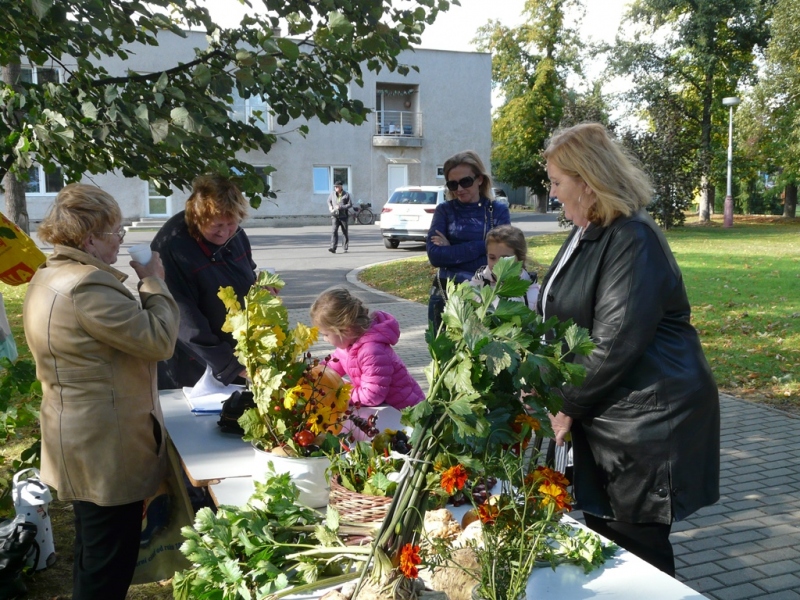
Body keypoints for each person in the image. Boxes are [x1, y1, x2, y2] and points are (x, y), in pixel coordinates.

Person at [540, 123, 720, 577]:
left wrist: (564, 405)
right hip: (609, 416)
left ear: (587, 180)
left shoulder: (631, 238)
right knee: (609, 539)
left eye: (557, 182)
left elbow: (613, 343)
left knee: (638, 558)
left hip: (644, 423)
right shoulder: (592, 229)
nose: (553, 192)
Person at [23, 184, 179, 600]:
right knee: (109, 562)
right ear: (89, 237)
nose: (120, 242)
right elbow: (159, 340)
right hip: (105, 445)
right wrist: (153, 282)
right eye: (116, 234)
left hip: (79, 435)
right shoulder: (87, 286)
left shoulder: (50, 274)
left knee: (95, 552)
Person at [151, 174, 256, 389]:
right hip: (196, 365)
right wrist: (233, 367)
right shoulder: (174, 248)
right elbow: (185, 320)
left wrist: (261, 289)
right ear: (197, 218)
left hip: (238, 350)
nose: (225, 232)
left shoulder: (235, 234)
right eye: (217, 225)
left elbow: (248, 271)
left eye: (232, 223)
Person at [426, 150, 511, 333]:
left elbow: (502, 260)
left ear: (480, 179)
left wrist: (452, 249)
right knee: (444, 360)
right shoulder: (444, 211)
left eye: (465, 182)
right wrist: (485, 246)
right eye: (452, 184)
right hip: (445, 297)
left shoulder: (498, 211)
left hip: (485, 297)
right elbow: (435, 256)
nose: (459, 189)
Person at [310, 287, 424, 410]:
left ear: (346, 330)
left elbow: (372, 396)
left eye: (326, 335)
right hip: (387, 412)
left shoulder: (372, 352)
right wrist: (310, 375)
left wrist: (340, 394)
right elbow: (328, 370)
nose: (324, 340)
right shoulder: (346, 347)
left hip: (405, 414)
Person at [470, 224, 539, 308]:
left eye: (505, 259)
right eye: (492, 257)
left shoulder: (535, 293)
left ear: (521, 259)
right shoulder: (476, 286)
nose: (497, 264)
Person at [327, 180, 352, 253]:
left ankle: (345, 247)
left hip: (343, 216)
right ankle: (333, 247)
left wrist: (341, 207)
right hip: (335, 216)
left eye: (337, 187)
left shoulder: (346, 194)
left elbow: (350, 204)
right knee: (334, 231)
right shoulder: (332, 194)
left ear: (341, 187)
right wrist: (330, 206)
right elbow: (328, 201)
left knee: (344, 232)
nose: (336, 188)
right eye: (335, 187)